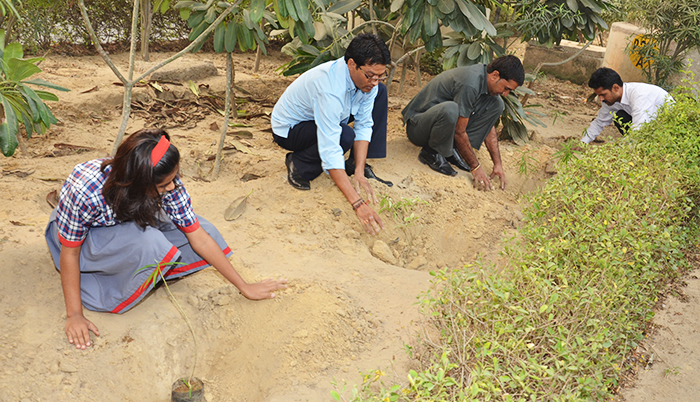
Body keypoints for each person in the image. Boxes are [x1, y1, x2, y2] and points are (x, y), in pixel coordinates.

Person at [45, 129, 288, 350]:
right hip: (86, 239)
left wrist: (243, 286)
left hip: (133, 219)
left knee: (208, 230)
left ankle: (144, 270)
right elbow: (71, 252)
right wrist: (74, 314)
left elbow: (199, 237)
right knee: (150, 244)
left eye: (174, 178)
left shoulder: (165, 181)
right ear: (138, 183)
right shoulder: (86, 189)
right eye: (163, 184)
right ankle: (108, 284)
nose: (172, 186)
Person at [271, 33, 392, 235]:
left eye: (381, 75)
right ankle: (298, 164)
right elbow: (330, 147)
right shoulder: (329, 87)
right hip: (290, 129)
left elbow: (364, 124)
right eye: (370, 75)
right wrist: (357, 204)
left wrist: (359, 172)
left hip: (328, 118)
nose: (374, 81)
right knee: (343, 136)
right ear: (352, 64)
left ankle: (352, 165)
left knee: (379, 95)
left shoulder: (368, 82)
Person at [401, 55, 524, 191]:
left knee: (497, 105)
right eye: (506, 88)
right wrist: (475, 168)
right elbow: (459, 131)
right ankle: (431, 153)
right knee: (451, 109)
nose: (505, 94)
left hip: (442, 130)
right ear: (495, 75)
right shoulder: (471, 83)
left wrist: (497, 164)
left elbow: (489, 129)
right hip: (418, 127)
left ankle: (449, 149)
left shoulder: (488, 87)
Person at [581, 67, 673, 144]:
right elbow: (599, 122)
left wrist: (620, 150)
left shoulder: (639, 95)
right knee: (619, 116)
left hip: (668, 130)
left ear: (615, 88)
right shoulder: (610, 101)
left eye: (603, 94)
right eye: (599, 95)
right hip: (648, 127)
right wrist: (583, 142)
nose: (601, 99)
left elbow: (639, 127)